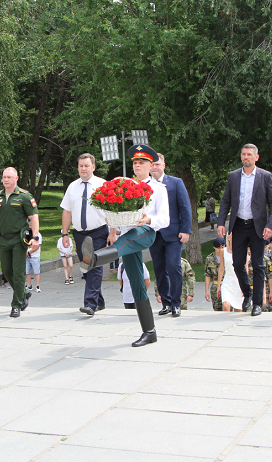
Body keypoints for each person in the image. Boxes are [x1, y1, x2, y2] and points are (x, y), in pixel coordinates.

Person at [79, 144, 169, 347]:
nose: (137, 166)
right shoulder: (126, 185)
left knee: (125, 241)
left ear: (150, 165)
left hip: (146, 233)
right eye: (135, 163)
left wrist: (148, 220)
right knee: (136, 283)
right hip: (127, 236)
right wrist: (113, 220)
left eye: (142, 162)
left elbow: (165, 219)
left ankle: (94, 259)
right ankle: (150, 331)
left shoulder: (158, 189)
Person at [217, 143, 272, 316]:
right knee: (237, 263)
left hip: (258, 227)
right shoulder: (234, 176)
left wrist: (270, 225)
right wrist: (221, 222)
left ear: (256, 157)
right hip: (239, 225)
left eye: (249, 154)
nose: (246, 157)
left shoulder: (265, 176)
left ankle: (257, 304)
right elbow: (226, 201)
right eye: (244, 154)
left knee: (258, 265)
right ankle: (248, 292)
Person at [60, 153, 113, 316]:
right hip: (79, 234)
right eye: (81, 166)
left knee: (95, 265)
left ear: (93, 167)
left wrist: (113, 232)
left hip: (98, 232)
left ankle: (90, 304)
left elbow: (111, 210)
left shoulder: (101, 185)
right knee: (87, 267)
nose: (83, 169)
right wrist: (64, 234)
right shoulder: (72, 187)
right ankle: (99, 301)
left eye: (86, 165)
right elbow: (67, 211)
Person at [0, 167, 40, 318]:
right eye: (4, 177)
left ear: (16, 178)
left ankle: (16, 305)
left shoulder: (24, 196)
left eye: (9, 177)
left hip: (18, 239)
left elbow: (34, 217)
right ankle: (23, 292)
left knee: (18, 272)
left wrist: (35, 238)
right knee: (6, 271)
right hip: (4, 239)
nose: (6, 180)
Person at [150, 153, 193, 317]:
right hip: (154, 234)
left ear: (164, 165)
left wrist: (186, 229)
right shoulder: (146, 185)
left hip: (173, 234)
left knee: (173, 267)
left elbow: (185, 207)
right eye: (152, 164)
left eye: (157, 164)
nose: (154, 167)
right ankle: (166, 303)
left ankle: (176, 303)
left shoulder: (175, 183)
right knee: (159, 269)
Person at [219, 234, 245, 312]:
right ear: (228, 238)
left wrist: (244, 286)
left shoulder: (242, 251)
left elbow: (245, 270)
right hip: (227, 281)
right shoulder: (223, 251)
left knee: (238, 309)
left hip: (238, 282)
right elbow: (221, 269)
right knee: (226, 305)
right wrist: (218, 285)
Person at [204, 237, 226, 311]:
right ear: (214, 247)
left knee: (227, 307)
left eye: (222, 247)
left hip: (227, 285)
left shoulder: (228, 257)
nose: (220, 250)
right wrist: (206, 291)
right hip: (215, 286)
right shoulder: (210, 258)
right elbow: (207, 275)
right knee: (217, 309)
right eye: (218, 248)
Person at [25, 229, 42, 293]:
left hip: (35, 256)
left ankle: (37, 286)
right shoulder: (26, 233)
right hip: (27, 256)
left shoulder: (38, 235)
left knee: (36, 272)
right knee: (27, 271)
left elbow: (37, 246)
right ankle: (29, 285)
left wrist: (29, 252)